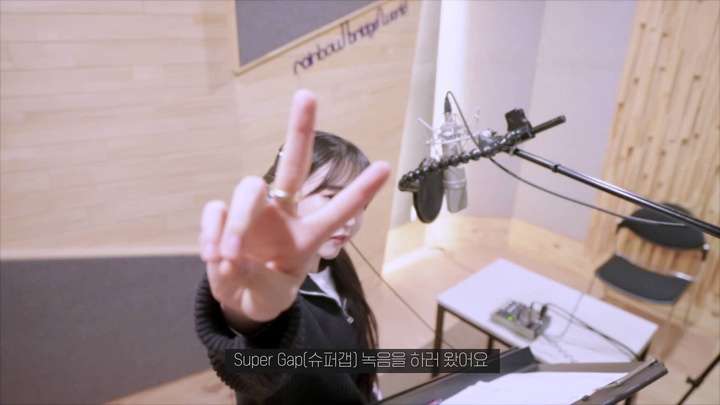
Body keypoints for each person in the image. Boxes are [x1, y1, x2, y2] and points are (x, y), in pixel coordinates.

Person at [195, 89, 391, 405]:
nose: (349, 219)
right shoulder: (276, 288)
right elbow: (255, 370)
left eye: (361, 205)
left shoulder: (335, 260)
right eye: (332, 198)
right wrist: (252, 321)